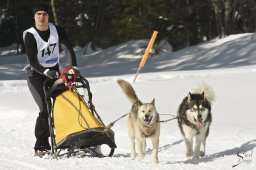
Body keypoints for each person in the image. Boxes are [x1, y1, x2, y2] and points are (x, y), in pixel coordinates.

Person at [23, 2, 77, 155]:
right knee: (45, 109)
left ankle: (69, 136)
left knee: (67, 102)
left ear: (48, 16)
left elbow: (69, 49)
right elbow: (32, 61)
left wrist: (73, 68)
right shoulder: (30, 35)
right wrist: (46, 71)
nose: (42, 17)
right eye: (38, 14)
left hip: (55, 72)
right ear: (34, 16)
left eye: (45, 14)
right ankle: (41, 145)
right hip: (35, 74)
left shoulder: (56, 30)